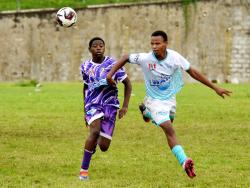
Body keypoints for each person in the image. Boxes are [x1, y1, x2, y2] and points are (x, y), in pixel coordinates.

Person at [106, 30, 231, 178]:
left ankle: (146, 113)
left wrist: (215, 87)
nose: (154, 46)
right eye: (152, 43)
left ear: (165, 43)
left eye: (157, 43)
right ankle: (185, 161)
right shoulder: (145, 58)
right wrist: (110, 74)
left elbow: (193, 72)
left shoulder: (175, 57)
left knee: (169, 120)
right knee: (168, 128)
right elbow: (126, 57)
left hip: (170, 98)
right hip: (154, 100)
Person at [79, 37, 132, 180]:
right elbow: (85, 86)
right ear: (90, 49)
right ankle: (84, 171)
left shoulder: (113, 64)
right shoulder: (85, 67)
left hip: (110, 105)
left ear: (104, 48)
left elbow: (128, 84)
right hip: (92, 104)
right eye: (95, 46)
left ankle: (94, 145)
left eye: (101, 46)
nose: (98, 48)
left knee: (104, 146)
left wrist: (125, 106)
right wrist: (85, 111)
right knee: (95, 131)